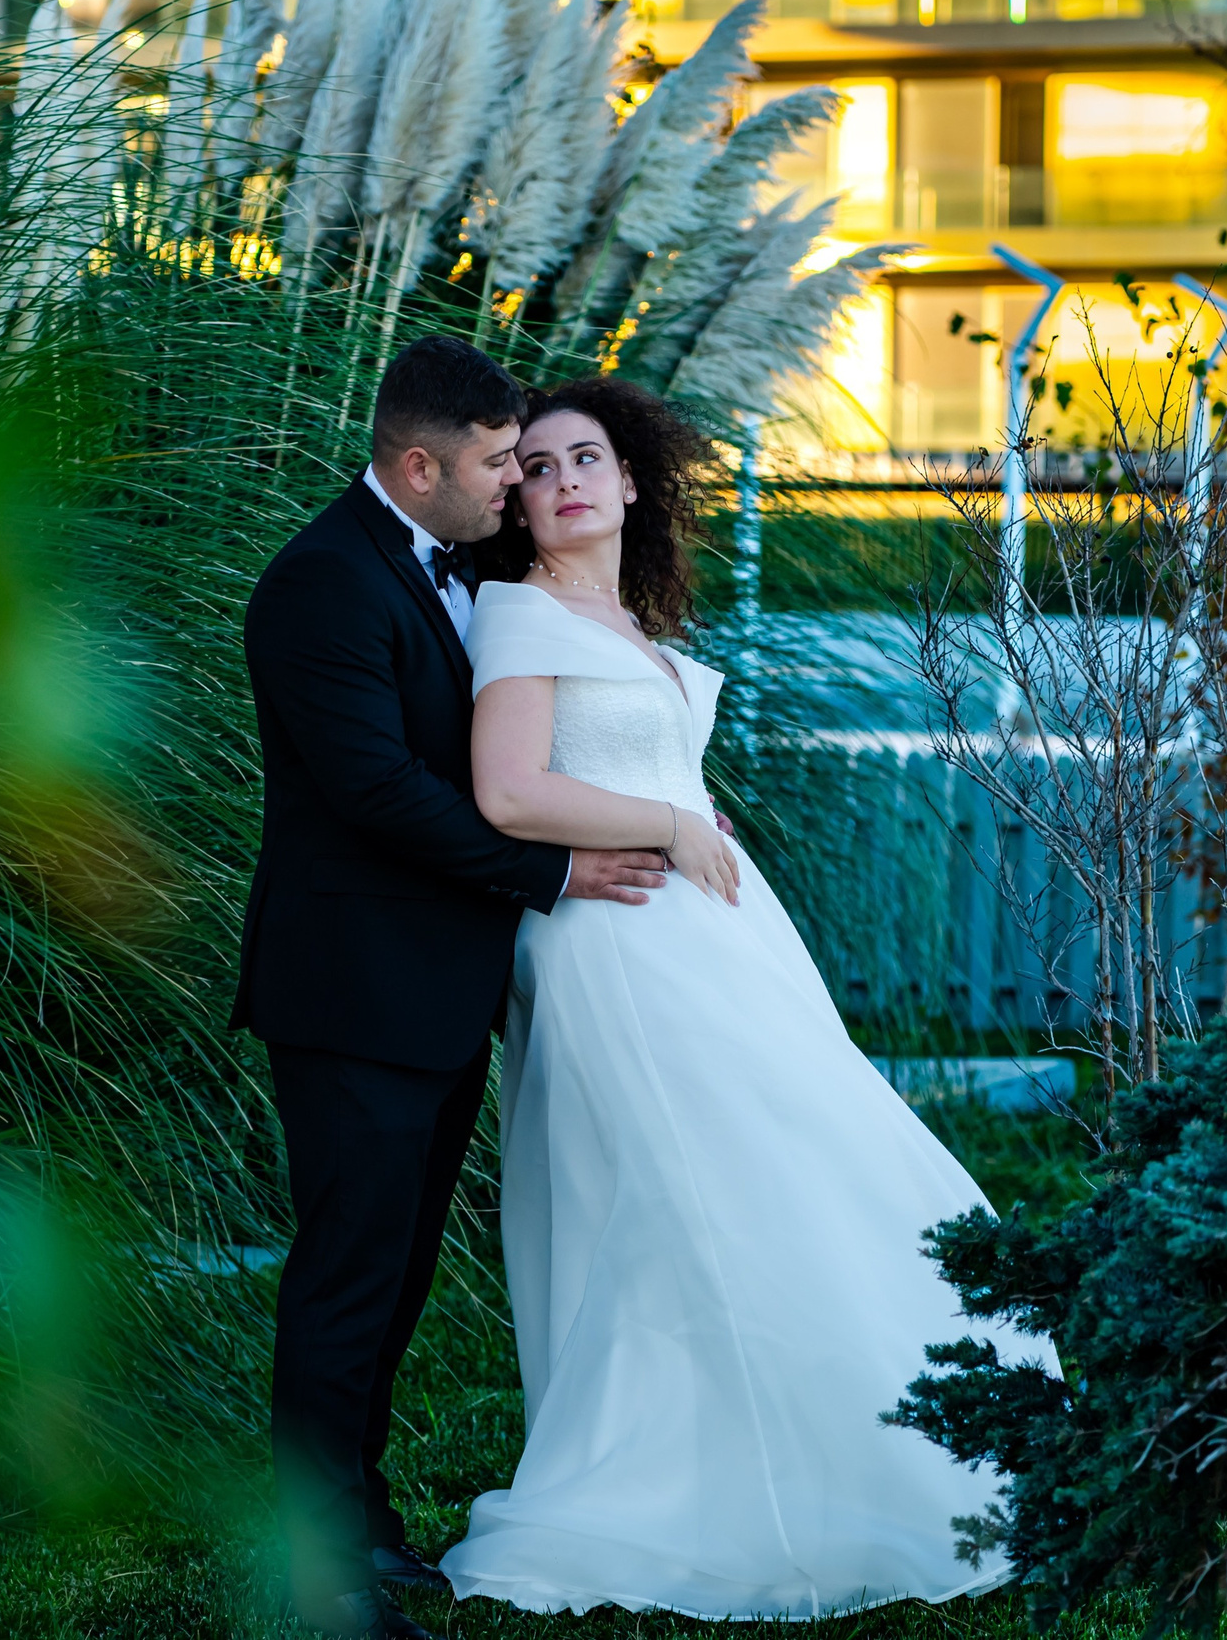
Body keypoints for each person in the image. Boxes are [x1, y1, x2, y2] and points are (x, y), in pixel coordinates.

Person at [437, 378, 1058, 1619]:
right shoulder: (513, 616)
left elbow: (619, 765)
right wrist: (669, 820)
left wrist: (681, 810)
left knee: (794, 1161)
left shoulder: (626, 625)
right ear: (517, 498)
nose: (563, 479)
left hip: (709, 938)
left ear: (629, 484)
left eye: (587, 459)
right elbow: (507, 794)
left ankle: (859, 1425)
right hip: (614, 947)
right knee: (687, 1191)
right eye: (540, 465)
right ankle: (701, 1471)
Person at [230, 338, 680, 1640]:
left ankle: (360, 1519)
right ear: (417, 464)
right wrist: (554, 870)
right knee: (345, 1278)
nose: (514, 483)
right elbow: (375, 791)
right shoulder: (319, 585)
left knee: (399, 1268)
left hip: (433, 991)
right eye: (495, 462)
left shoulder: (450, 562)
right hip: (351, 993)